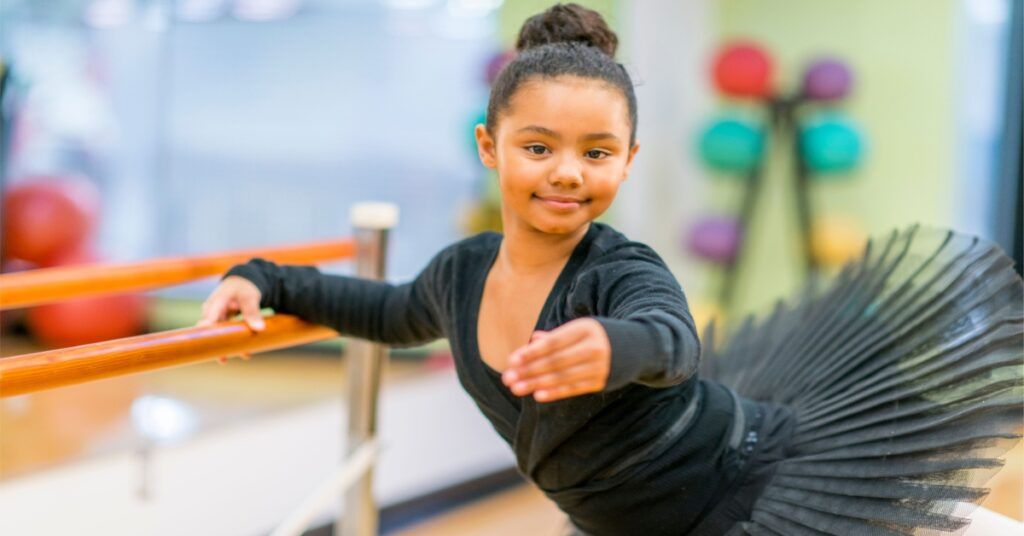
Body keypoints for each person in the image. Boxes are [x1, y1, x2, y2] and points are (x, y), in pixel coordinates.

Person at [197, 4, 1024, 535]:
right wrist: (263, 280)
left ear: (627, 162)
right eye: (537, 147)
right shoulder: (459, 275)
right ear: (490, 148)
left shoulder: (622, 268)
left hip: (746, 493)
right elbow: (383, 310)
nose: (566, 172)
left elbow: (671, 339)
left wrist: (610, 345)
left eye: (595, 152)